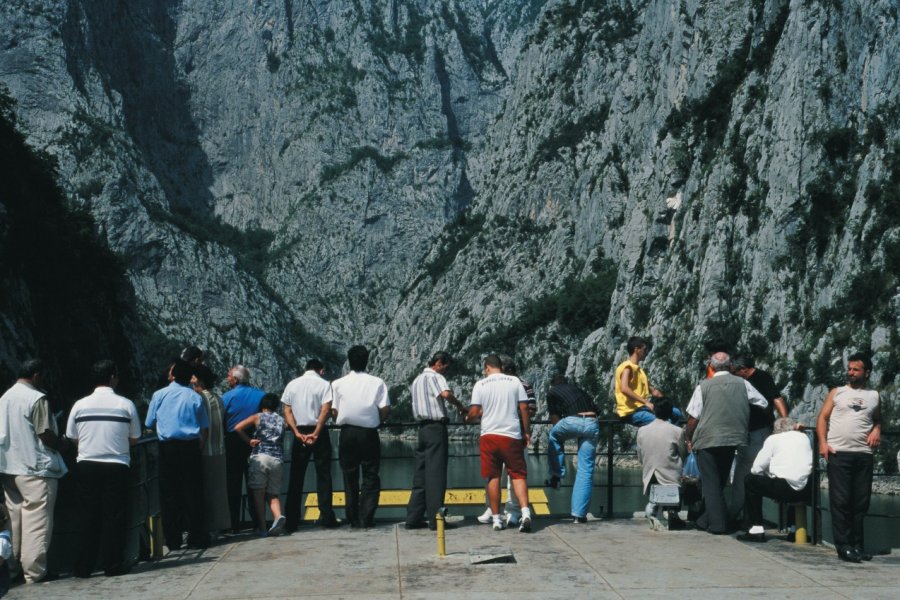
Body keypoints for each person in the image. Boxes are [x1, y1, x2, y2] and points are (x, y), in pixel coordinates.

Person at [65, 360, 141, 577]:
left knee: (87, 515)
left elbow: (72, 436)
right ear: (112, 378)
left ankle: (83, 566)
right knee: (114, 516)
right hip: (116, 465)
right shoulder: (125, 405)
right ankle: (113, 564)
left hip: (87, 464)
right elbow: (135, 438)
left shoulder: (79, 405)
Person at [684, 352, 767, 534]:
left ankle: (718, 525)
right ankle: (705, 520)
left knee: (711, 483)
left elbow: (693, 417)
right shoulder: (743, 384)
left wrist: (688, 437)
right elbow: (763, 402)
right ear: (730, 366)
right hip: (734, 439)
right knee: (720, 480)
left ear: (711, 367)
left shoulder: (703, 387)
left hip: (708, 439)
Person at [0, 359, 67, 584]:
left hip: (9, 467)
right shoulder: (36, 398)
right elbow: (45, 433)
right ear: (37, 376)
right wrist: (62, 444)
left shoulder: (4, 398)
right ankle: (34, 571)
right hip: (36, 468)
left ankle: (11, 567)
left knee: (14, 519)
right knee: (37, 520)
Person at [816, 353, 881, 563]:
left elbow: (878, 420)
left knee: (860, 503)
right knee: (841, 501)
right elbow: (822, 418)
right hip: (839, 453)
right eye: (849, 369)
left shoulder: (874, 395)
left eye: (856, 370)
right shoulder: (837, 392)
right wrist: (823, 444)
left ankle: (857, 545)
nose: (851, 373)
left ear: (867, 373)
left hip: (863, 454)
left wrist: (877, 430)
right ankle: (843, 547)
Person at [145, 358, 209, 550]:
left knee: (169, 495)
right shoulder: (195, 397)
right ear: (189, 377)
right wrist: (200, 447)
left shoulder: (158, 395)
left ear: (173, 375)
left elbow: (149, 423)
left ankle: (172, 539)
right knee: (193, 493)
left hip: (167, 448)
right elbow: (204, 427)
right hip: (190, 447)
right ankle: (196, 536)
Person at [465, 354, 533, 533]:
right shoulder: (514, 381)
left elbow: (474, 412)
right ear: (500, 367)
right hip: (511, 434)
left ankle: (496, 519)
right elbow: (525, 407)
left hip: (489, 435)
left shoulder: (480, 384)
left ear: (487, 368)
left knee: (493, 477)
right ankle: (525, 512)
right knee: (518, 475)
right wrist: (527, 431)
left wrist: (467, 417)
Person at [405, 352, 467, 531]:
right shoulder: (436, 377)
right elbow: (446, 394)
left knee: (421, 475)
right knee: (436, 475)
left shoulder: (416, 380)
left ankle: (413, 518)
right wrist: (460, 406)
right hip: (436, 429)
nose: (446, 372)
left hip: (422, 430)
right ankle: (436, 520)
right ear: (439, 363)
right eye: (446, 367)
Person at [331, 346, 390, 529]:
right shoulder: (377, 382)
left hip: (347, 433)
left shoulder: (337, 384)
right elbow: (385, 409)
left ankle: (353, 518)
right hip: (368, 433)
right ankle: (366, 517)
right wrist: (377, 420)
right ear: (367, 361)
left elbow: (334, 411)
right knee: (371, 475)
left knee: (349, 477)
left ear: (349, 361)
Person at [730, 354, 789, 526]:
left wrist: (784, 422)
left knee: (749, 472)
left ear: (743, 369)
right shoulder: (746, 380)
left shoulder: (761, 377)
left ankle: (745, 517)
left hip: (758, 431)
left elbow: (776, 398)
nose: (733, 374)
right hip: (749, 432)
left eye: (735, 371)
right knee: (749, 472)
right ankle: (747, 515)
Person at [281, 358, 340, 531]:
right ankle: (327, 516)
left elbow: (287, 410)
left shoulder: (292, 384)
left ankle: (291, 519)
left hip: (299, 432)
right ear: (320, 370)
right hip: (319, 433)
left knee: (296, 476)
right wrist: (316, 432)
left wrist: (296, 432)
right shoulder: (324, 385)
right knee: (324, 475)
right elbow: (325, 410)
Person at [737, 417, 812, 543]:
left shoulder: (773, 439)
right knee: (793, 476)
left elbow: (756, 468)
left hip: (784, 489)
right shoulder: (804, 437)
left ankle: (756, 529)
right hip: (806, 489)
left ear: (776, 429)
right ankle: (793, 529)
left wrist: (769, 474)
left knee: (750, 480)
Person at [544, 375, 599, 523]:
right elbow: (596, 409)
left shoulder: (552, 393)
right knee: (585, 470)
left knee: (554, 436)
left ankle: (556, 475)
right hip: (592, 422)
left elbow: (555, 420)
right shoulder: (579, 390)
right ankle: (579, 516)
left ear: (553, 385)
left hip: (572, 421)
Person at [234, 393, 287, 537]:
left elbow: (237, 427)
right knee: (273, 494)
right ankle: (278, 516)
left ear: (262, 405)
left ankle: (263, 528)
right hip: (277, 459)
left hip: (260, 457)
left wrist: (249, 440)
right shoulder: (282, 420)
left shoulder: (257, 417)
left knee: (258, 494)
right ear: (276, 406)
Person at [222, 365, 266, 532]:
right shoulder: (261, 395)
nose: (227, 379)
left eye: (229, 376)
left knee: (232, 483)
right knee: (255, 483)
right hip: (256, 440)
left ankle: (232, 524)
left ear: (235, 379)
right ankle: (258, 521)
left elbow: (221, 421)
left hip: (232, 441)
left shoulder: (226, 397)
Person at [192, 364, 231, 537]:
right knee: (219, 490)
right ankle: (220, 525)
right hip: (220, 449)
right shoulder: (218, 398)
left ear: (198, 380)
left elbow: (202, 428)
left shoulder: (199, 398)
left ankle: (207, 527)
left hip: (206, 450)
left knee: (205, 491)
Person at [636, 399, 687, 528]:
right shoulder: (677, 431)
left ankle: (654, 510)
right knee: (684, 480)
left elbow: (640, 455)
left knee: (656, 486)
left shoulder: (642, 430)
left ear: (654, 411)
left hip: (650, 474)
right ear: (670, 413)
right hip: (670, 474)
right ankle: (673, 513)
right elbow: (683, 453)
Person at [615, 337, 679, 426]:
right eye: (644, 349)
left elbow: (653, 391)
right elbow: (624, 388)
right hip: (630, 411)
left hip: (642, 408)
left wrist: (666, 402)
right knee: (664, 423)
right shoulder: (627, 367)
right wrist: (646, 402)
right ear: (636, 349)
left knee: (676, 412)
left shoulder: (640, 371)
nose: (646, 352)